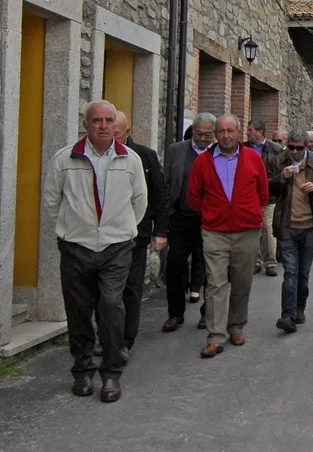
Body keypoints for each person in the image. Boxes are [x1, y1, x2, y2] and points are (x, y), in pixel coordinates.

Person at [42, 101, 147, 402]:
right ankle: (82, 370)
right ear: (85, 124)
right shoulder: (65, 159)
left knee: (112, 306)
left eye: (109, 120)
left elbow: (139, 202)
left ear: (116, 125)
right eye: (97, 120)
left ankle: (111, 374)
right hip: (75, 246)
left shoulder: (131, 160)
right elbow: (52, 200)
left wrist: (119, 228)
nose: (103, 125)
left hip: (116, 247)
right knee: (78, 310)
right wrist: (74, 226)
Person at [187, 115, 269, 359]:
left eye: (230, 130)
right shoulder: (203, 162)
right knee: (216, 283)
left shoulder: (253, 159)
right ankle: (215, 336)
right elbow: (193, 197)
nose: (225, 135)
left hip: (247, 231)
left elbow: (263, 194)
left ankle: (236, 326)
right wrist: (214, 214)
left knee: (242, 281)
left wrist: (246, 212)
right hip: (215, 232)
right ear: (215, 134)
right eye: (221, 131)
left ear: (238, 131)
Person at [105, 111, 170, 358]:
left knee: (131, 289)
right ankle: (107, 337)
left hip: (136, 236)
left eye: (117, 133)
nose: (111, 137)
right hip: (106, 237)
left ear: (127, 132)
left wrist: (161, 231)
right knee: (107, 292)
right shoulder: (100, 157)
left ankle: (125, 340)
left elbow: (159, 196)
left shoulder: (144, 156)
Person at [270, 128, 313, 334]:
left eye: (298, 148)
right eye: (291, 147)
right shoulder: (279, 161)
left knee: (303, 274)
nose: (294, 151)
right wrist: (281, 178)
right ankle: (288, 315)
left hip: (309, 228)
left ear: (307, 147)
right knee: (290, 272)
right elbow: (266, 188)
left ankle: (300, 308)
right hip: (287, 226)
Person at [162, 113, 215, 333]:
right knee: (174, 264)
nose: (202, 139)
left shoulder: (219, 152)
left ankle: (207, 313)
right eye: (199, 133)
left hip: (210, 220)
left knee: (211, 268)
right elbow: (167, 184)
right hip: (181, 217)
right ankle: (175, 314)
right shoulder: (177, 151)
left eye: (208, 135)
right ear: (193, 130)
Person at [246, 120, 284, 277]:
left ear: (260, 132)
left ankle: (270, 262)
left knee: (268, 229)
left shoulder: (275, 149)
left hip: (269, 196)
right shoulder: (243, 148)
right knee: (252, 230)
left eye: (250, 130)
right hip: (248, 196)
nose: (247, 132)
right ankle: (255, 262)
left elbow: (280, 174)